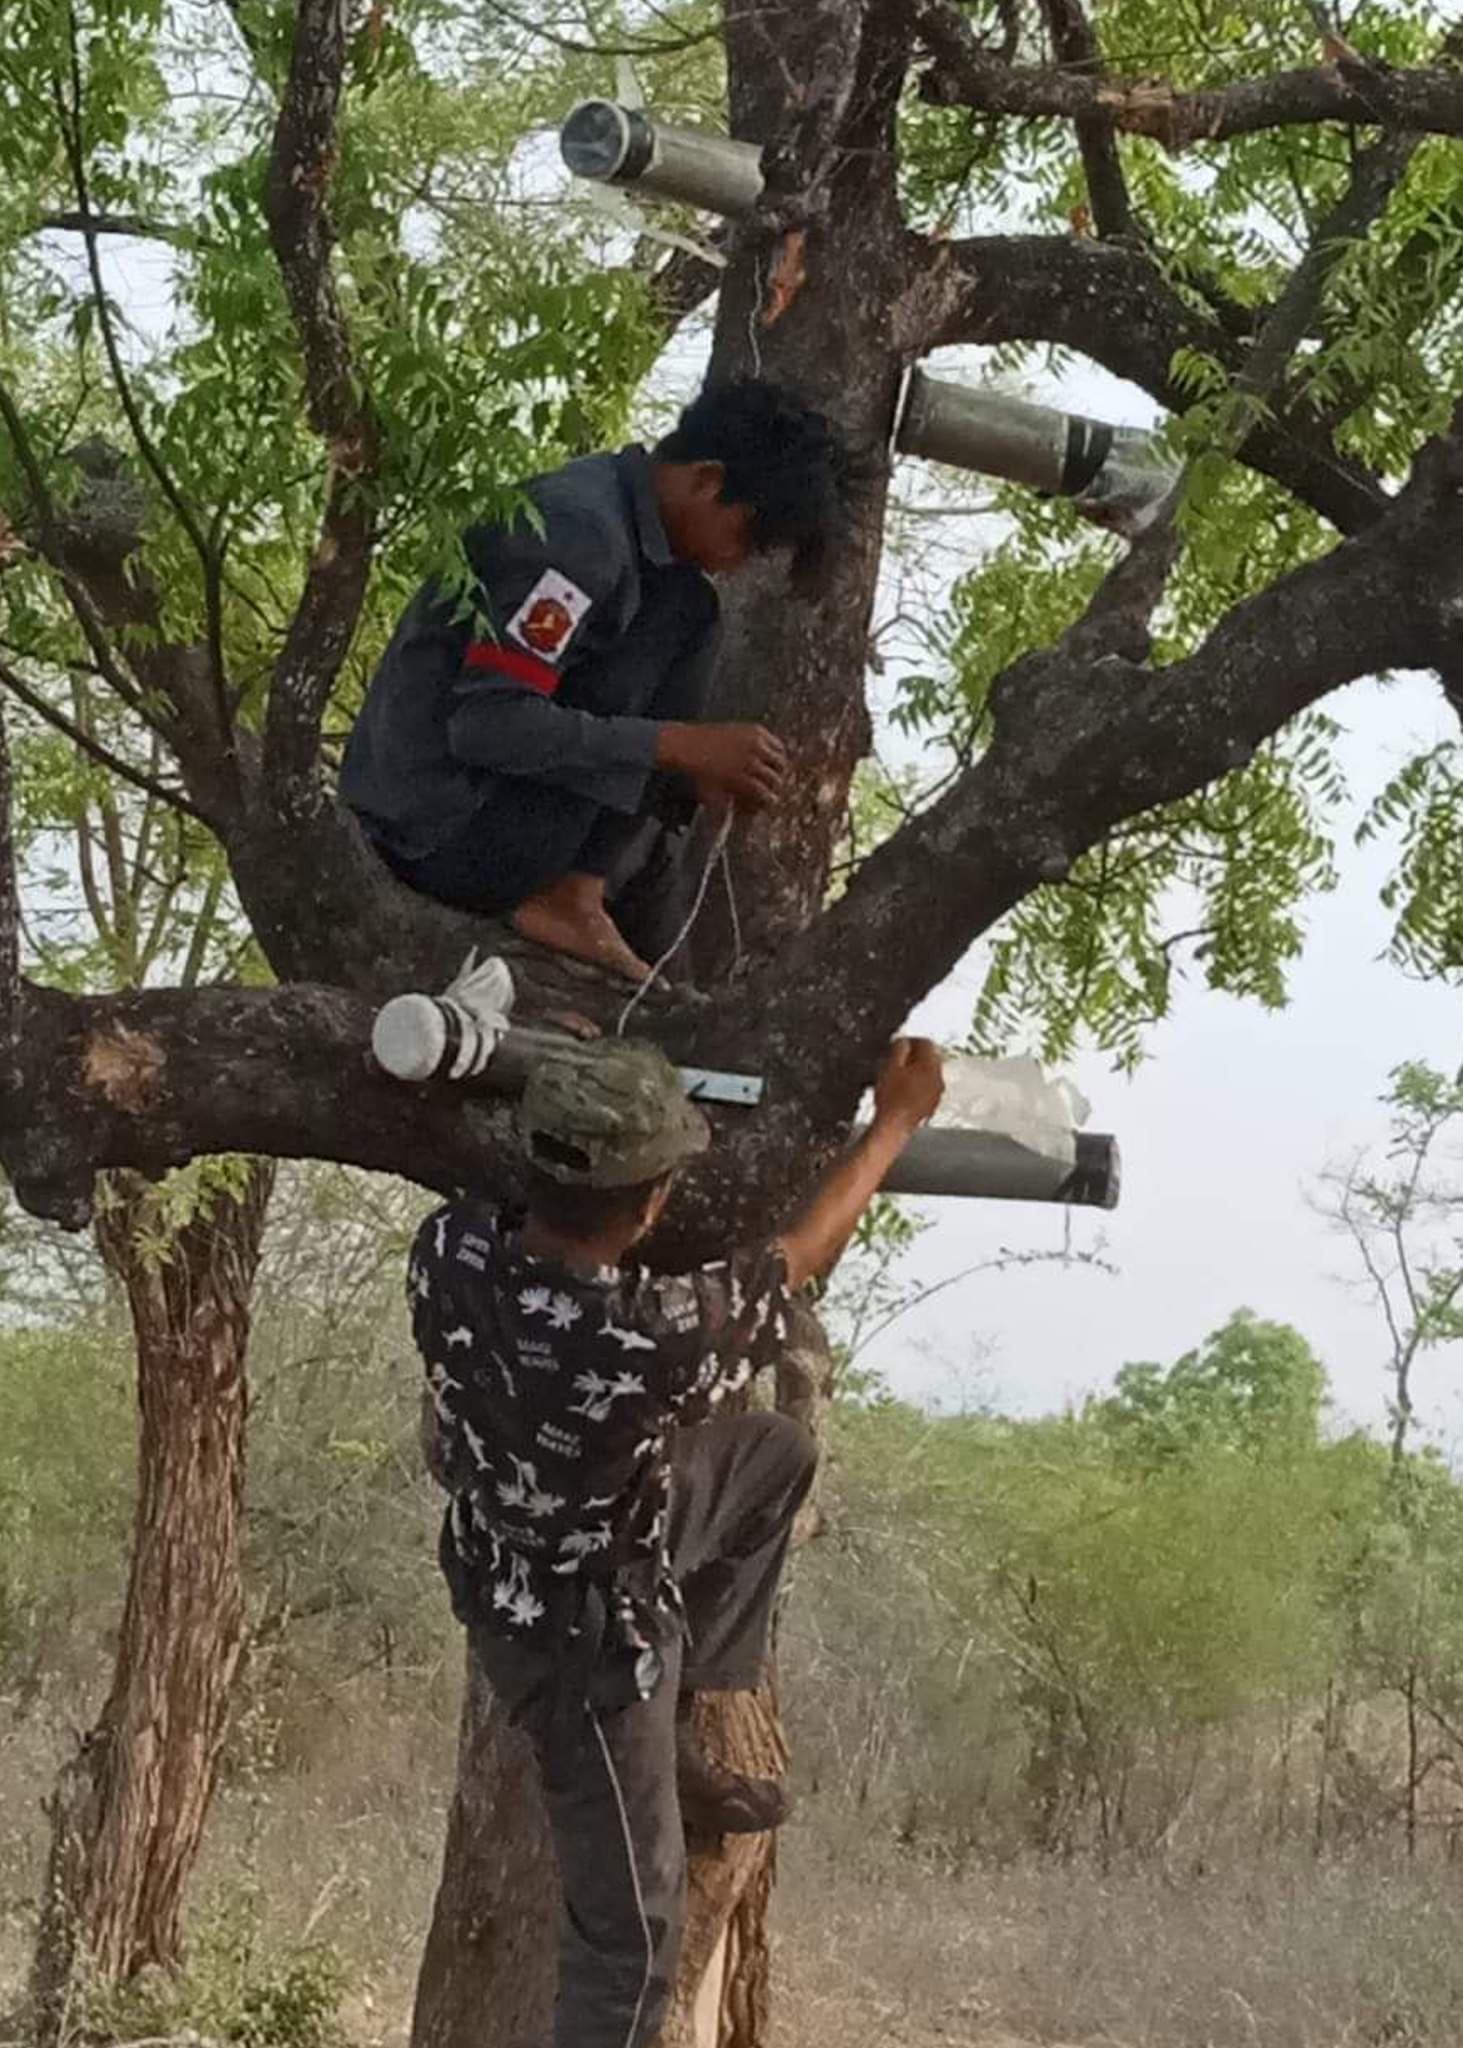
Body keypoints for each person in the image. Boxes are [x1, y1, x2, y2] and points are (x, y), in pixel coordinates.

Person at [408, 1032, 944, 2048]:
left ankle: (679, 1722)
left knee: (770, 1454)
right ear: (652, 1206)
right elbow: (798, 1257)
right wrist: (896, 1121)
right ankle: (644, 1731)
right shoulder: (650, 1335)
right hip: (580, 1638)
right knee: (633, 1942)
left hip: (531, 1538)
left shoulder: (449, 1249)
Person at [343, 379, 855, 984]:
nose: (738, 561)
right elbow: (486, 724)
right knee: (683, 616)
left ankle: (584, 894)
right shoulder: (581, 534)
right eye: (746, 536)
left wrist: (696, 778)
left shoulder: (650, 561)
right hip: (430, 825)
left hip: (497, 820)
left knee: (692, 610)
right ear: (707, 481)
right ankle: (570, 897)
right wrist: (678, 745)